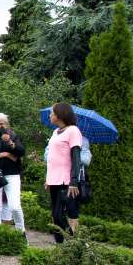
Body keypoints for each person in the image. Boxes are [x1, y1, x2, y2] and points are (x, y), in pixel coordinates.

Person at [44, 102, 84, 243]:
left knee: (59, 215)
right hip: (53, 180)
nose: (50, 115)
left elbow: (76, 157)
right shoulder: (55, 132)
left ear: (60, 115)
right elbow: (52, 158)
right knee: (55, 217)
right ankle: (60, 246)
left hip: (66, 180)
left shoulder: (73, 131)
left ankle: (73, 244)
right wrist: (48, 179)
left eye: (52, 113)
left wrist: (74, 181)